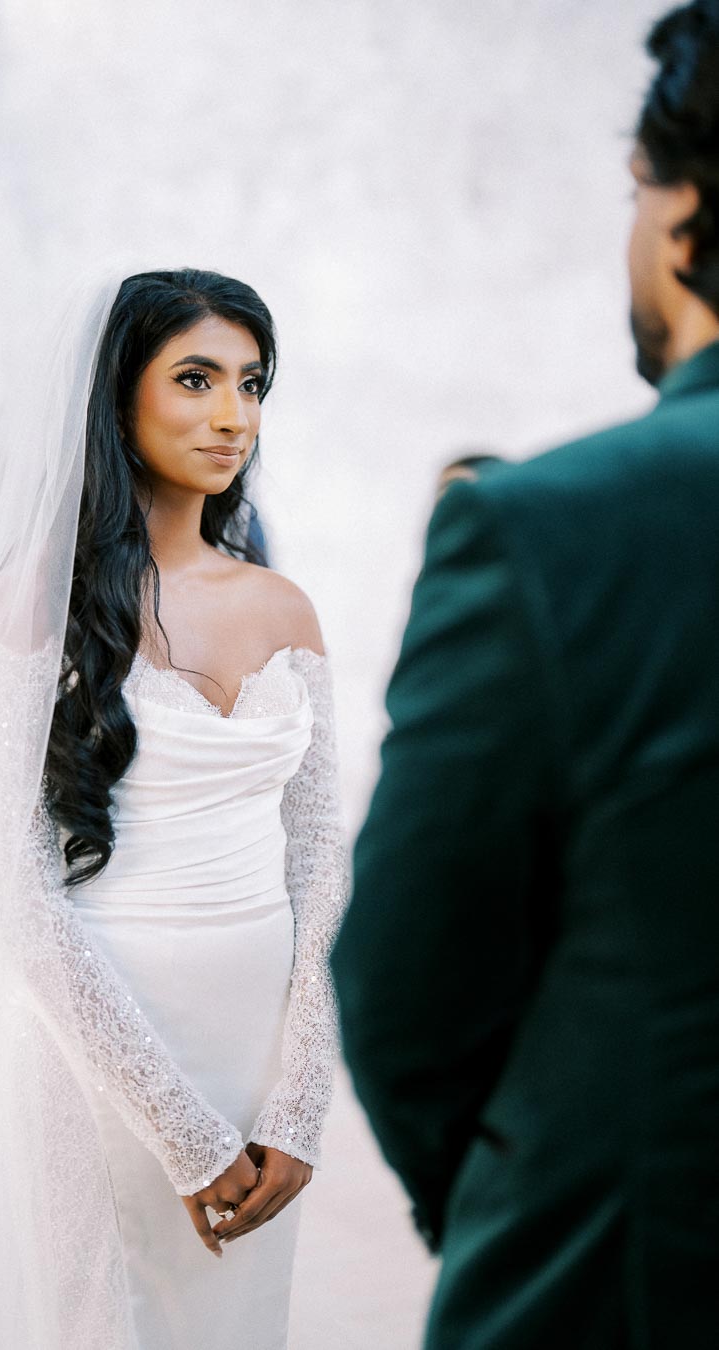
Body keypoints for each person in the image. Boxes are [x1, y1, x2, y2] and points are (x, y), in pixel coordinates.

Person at [0, 269, 347, 1350]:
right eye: (196, 379)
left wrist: (301, 1094)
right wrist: (183, 1131)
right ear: (118, 398)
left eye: (252, 383)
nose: (233, 415)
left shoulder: (284, 606)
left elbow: (317, 855)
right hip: (94, 1052)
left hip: (254, 1044)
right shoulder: (29, 606)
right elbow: (12, 892)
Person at [331, 3, 719, 1346]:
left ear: (685, 216)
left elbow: (404, 990)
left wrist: (524, 1196)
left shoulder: (547, 529)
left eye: (633, 188)